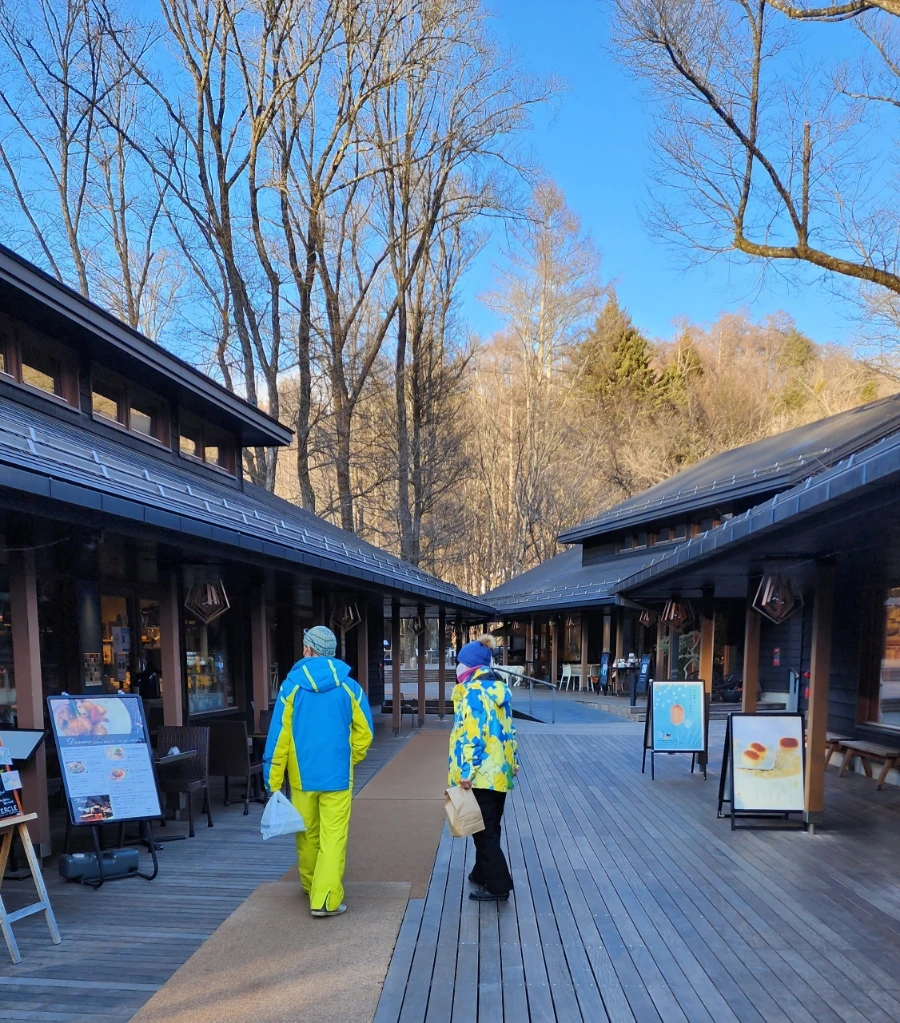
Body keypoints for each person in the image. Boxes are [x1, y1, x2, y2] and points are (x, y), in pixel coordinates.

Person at [263, 625, 374, 918]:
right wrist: (350, 758)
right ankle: (325, 899)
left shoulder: (290, 688)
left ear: (308, 649)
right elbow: (365, 734)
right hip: (338, 776)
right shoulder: (350, 687)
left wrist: (273, 779)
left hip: (302, 777)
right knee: (333, 837)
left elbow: (279, 738)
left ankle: (312, 886)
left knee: (307, 834)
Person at [448, 634, 518, 902]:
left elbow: (472, 735)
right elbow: (508, 731)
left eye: (460, 662)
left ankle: (498, 885)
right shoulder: (497, 689)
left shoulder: (473, 693)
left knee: (483, 830)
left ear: (470, 666)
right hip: (498, 772)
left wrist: (466, 772)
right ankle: (481, 871)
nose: (458, 667)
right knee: (490, 825)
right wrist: (514, 762)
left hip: (480, 775)